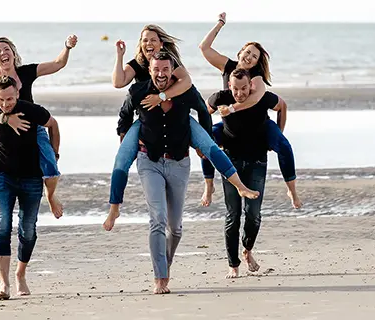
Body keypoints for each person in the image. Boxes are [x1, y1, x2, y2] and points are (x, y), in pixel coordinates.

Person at [103, 25, 258, 231]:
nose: (148, 43)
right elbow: (118, 82)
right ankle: (114, 208)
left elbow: (187, 83)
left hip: (178, 117)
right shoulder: (139, 64)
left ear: (161, 43)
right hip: (146, 121)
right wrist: (119, 55)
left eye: (153, 39)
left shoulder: (169, 62)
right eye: (144, 40)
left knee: (209, 146)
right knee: (121, 159)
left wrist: (161, 97)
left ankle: (240, 186)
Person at [116, 51, 240, 293]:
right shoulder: (138, 91)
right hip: (149, 161)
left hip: (179, 163)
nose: (161, 74)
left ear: (172, 70)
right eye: (156, 69)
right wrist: (124, 137)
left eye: (165, 69)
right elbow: (124, 114)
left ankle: (166, 263)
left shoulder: (185, 91)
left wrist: (202, 141)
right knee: (157, 220)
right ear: (149, 70)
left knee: (176, 228)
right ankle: (160, 277)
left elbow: (203, 111)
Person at [199, 12, 302, 209]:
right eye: (247, 52)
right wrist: (220, 24)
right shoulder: (227, 66)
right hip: (230, 125)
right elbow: (204, 48)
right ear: (240, 52)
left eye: (254, 56)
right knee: (206, 143)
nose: (249, 57)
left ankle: (292, 189)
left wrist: (230, 109)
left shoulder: (256, 78)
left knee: (284, 147)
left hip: (258, 124)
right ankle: (208, 185)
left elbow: (254, 100)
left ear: (256, 63)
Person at [0, 35, 78, 218]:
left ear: (13, 53)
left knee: (52, 169)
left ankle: (51, 196)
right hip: (2, 132)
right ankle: (3, 193)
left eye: (6, 49)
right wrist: (5, 119)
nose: (3, 53)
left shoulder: (26, 72)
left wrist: (67, 47)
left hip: (32, 129)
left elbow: (58, 63)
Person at [0, 75, 60, 300]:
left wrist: (54, 153)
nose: (6, 104)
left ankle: (20, 274)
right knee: (2, 226)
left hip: (31, 178)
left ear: (17, 95)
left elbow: (53, 124)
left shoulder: (30, 110)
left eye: (10, 99)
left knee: (28, 230)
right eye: (1, 100)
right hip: (2, 176)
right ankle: (4, 284)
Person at [208, 68, 286, 278]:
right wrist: (209, 137)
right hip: (230, 163)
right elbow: (204, 111)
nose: (240, 93)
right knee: (233, 215)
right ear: (229, 86)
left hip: (257, 161)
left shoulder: (260, 98)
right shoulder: (221, 97)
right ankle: (233, 265)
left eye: (243, 88)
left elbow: (282, 106)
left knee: (253, 214)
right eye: (235, 89)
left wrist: (277, 134)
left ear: (250, 84)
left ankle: (247, 249)